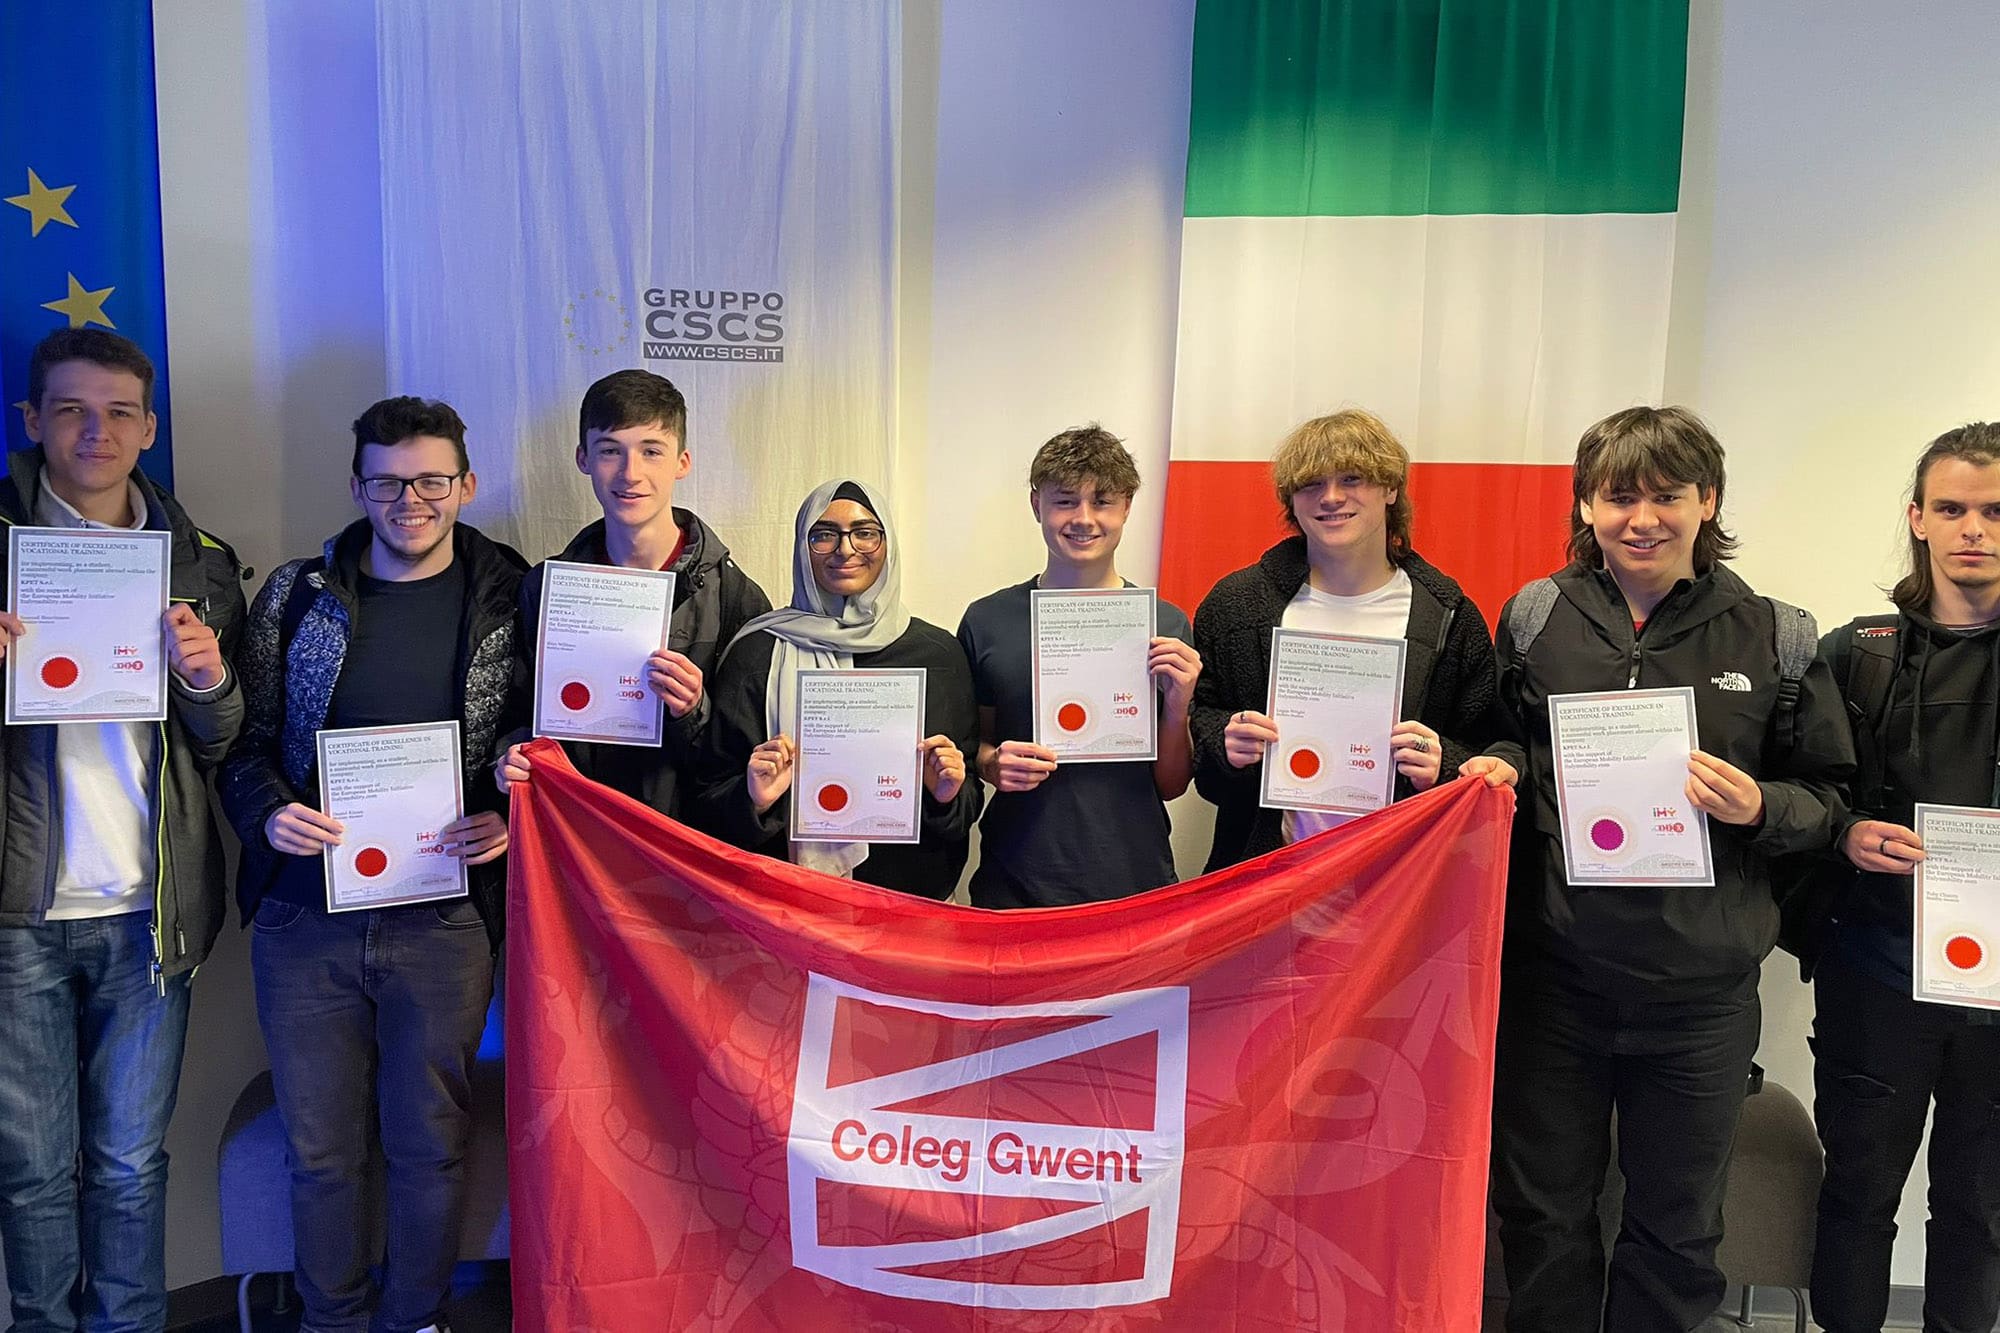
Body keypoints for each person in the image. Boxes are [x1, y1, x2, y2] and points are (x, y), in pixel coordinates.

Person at [1485, 405, 1853, 1332]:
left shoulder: (1776, 632)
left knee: (1679, 1233)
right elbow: (1507, 743)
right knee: (1544, 1220)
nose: (1641, 518)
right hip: (1553, 985)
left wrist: (1762, 806)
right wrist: (1490, 763)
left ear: (1707, 501)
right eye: (1619, 497)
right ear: (1586, 504)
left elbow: (1827, 800)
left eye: (1665, 495)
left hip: (1700, 998)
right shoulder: (1535, 616)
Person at [218, 397, 525, 1333]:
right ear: (358, 487)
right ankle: (331, 1319)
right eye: (388, 480)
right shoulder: (296, 595)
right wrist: (269, 815)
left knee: (430, 1142)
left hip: (443, 919)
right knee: (320, 1150)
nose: (411, 499)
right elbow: (243, 742)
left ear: (465, 486)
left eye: (432, 479)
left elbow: (539, 734)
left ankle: (416, 1320)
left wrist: (509, 808)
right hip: (305, 921)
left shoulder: (518, 597)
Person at [0, 328, 245, 1332]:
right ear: (32, 422)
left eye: (117, 412)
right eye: (70, 409)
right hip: (18, 915)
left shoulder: (203, 563)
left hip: (151, 912)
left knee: (130, 1165)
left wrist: (204, 675)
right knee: (29, 1173)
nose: (94, 431)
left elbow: (222, 735)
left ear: (148, 428)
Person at [1805, 422, 2000, 1333]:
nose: (1976, 529)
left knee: (1981, 1212)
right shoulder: (1857, 652)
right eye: (1954, 508)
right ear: (1917, 517)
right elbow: (1807, 796)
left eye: (1997, 510)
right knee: (1857, 1201)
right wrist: (1846, 833)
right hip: (1877, 974)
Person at [1188, 408, 1514, 873]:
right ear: (1292, 501)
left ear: (1390, 489)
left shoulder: (1447, 613)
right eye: (1311, 485)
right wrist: (1226, 745)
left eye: (1353, 479)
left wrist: (1444, 765)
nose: (1331, 498)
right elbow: (1203, 746)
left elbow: (1496, 748)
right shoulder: (1237, 606)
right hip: (1267, 889)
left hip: (1398, 891)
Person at [496, 369, 769, 808]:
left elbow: (746, 764)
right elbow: (517, 715)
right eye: (610, 451)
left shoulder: (735, 596)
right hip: (578, 838)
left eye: (651, 451)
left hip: (684, 849)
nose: (630, 473)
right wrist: (510, 759)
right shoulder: (545, 588)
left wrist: (694, 710)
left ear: (682, 462)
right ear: (583, 458)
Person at [696, 479, 981, 897]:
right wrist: (753, 798)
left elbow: (965, 798)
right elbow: (708, 801)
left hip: (913, 914)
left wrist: (947, 794)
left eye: (865, 533)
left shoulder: (938, 656)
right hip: (786, 910)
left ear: (888, 544)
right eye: (824, 534)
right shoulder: (757, 653)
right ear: (801, 545)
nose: (845, 549)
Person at [955, 425, 1200, 907]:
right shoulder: (987, 620)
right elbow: (974, 746)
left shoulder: (1165, 624)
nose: (1084, 519)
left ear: (1127, 506)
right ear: (1036, 505)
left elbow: (1172, 786)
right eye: (1065, 500)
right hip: (1016, 880)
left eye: (1103, 501)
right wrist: (990, 763)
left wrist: (1178, 706)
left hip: (1134, 878)